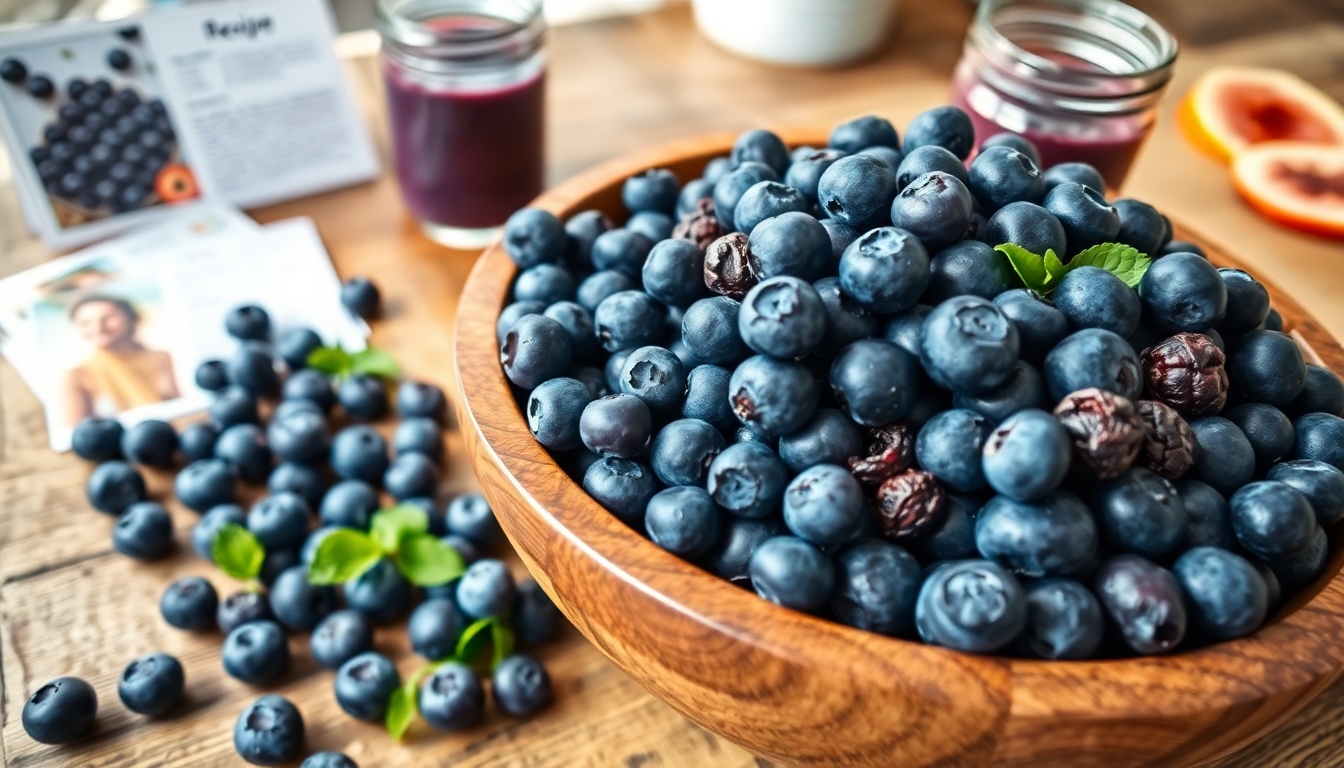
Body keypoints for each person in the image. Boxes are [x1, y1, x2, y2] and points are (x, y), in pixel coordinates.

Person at [60, 295, 179, 426]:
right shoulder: (76, 375)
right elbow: (75, 434)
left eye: (107, 318)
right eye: (86, 323)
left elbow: (177, 407)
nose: (98, 328)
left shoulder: (161, 358)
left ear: (130, 318)